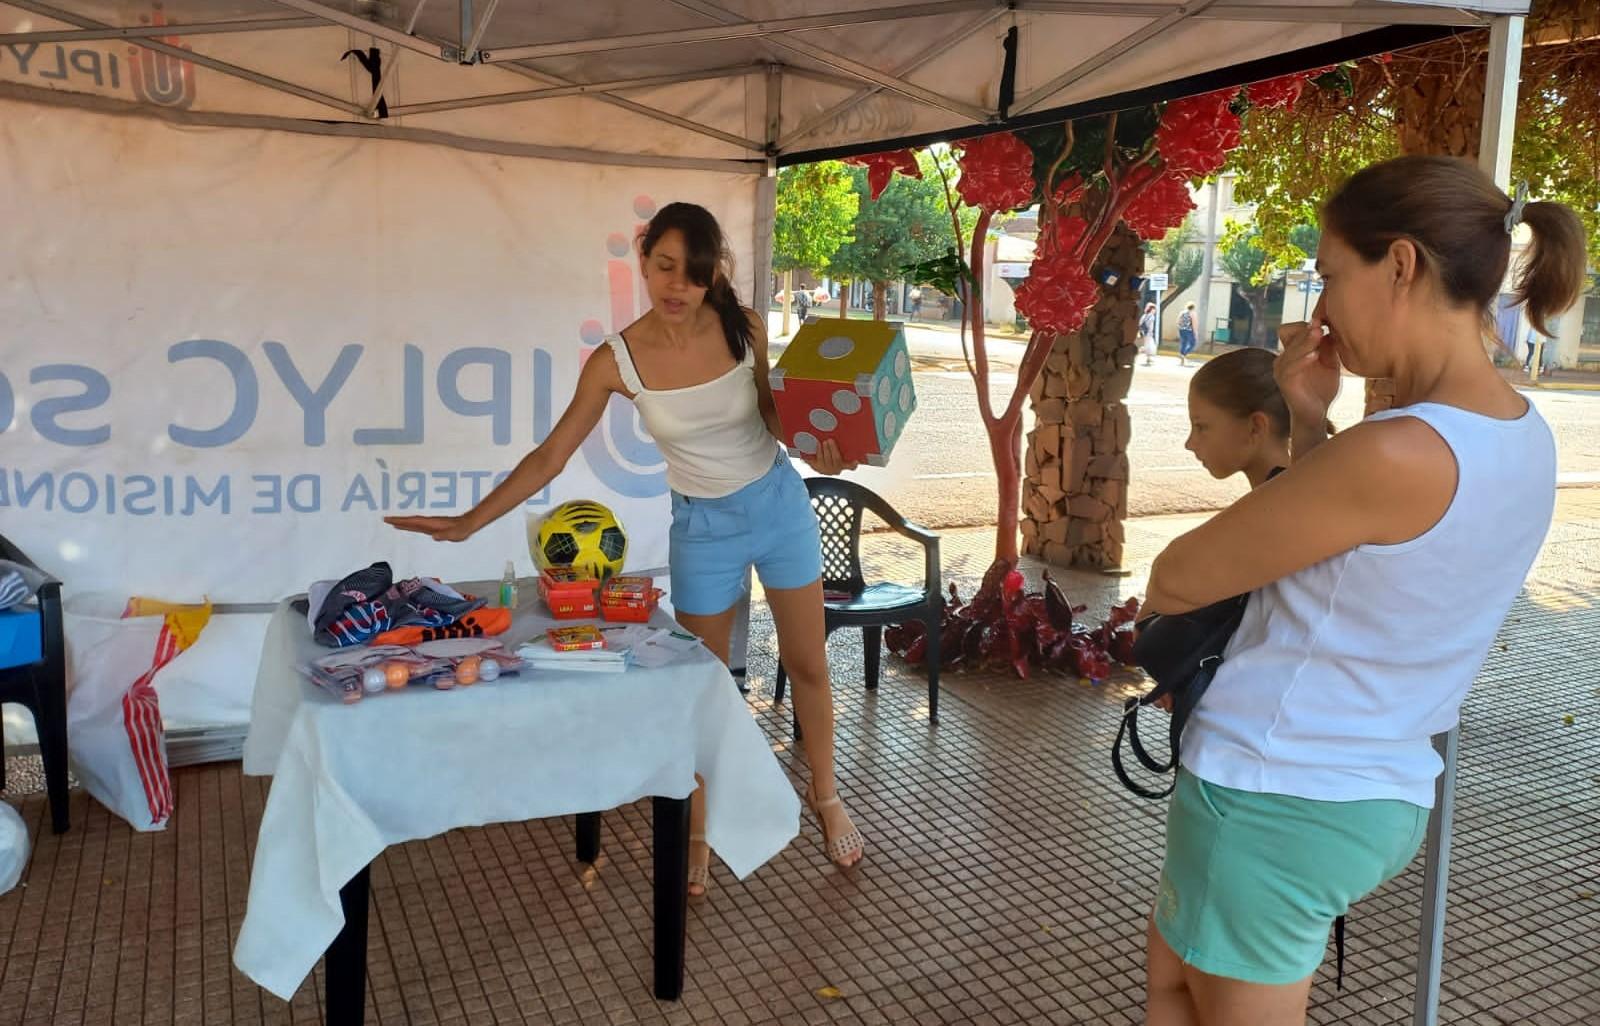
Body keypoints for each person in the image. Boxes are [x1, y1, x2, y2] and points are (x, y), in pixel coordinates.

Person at [1141, 156, 1585, 1025]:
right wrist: (1309, 419)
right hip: (1369, 785)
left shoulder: (1393, 450)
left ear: (1403, 265)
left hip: (1275, 791)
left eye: (1333, 276)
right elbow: (1360, 569)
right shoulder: (1524, 434)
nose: (1325, 307)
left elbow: (1177, 576)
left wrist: (1317, 439)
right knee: (1173, 988)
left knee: (1181, 998)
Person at [387, 202, 866, 896]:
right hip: (702, 528)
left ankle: (825, 795)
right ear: (642, 262)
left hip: (778, 507)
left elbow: (773, 418)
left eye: (693, 275)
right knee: (701, 688)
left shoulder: (745, 328)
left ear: (710, 279)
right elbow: (551, 456)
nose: (677, 286)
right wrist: (467, 522)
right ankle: (697, 828)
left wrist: (826, 444)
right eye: (665, 267)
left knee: (808, 664)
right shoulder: (616, 359)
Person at [1177, 302, 1199, 367]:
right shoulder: (1193, 313)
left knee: (1183, 343)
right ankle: (1184, 354)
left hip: (1181, 330)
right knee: (1193, 343)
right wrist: (1196, 333)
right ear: (1193, 307)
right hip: (1189, 330)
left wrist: (1180, 328)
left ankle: (1182, 359)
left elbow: (1178, 321)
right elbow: (1194, 324)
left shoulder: (1182, 312)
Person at [1139, 302, 1159, 366]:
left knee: (1148, 345)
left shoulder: (1144, 315)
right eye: (1154, 309)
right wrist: (1150, 332)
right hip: (1148, 333)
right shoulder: (1151, 316)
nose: (1155, 311)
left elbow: (1140, 323)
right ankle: (1139, 352)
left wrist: (1142, 331)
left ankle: (1148, 358)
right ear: (1152, 309)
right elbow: (1151, 326)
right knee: (1149, 346)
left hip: (1144, 332)